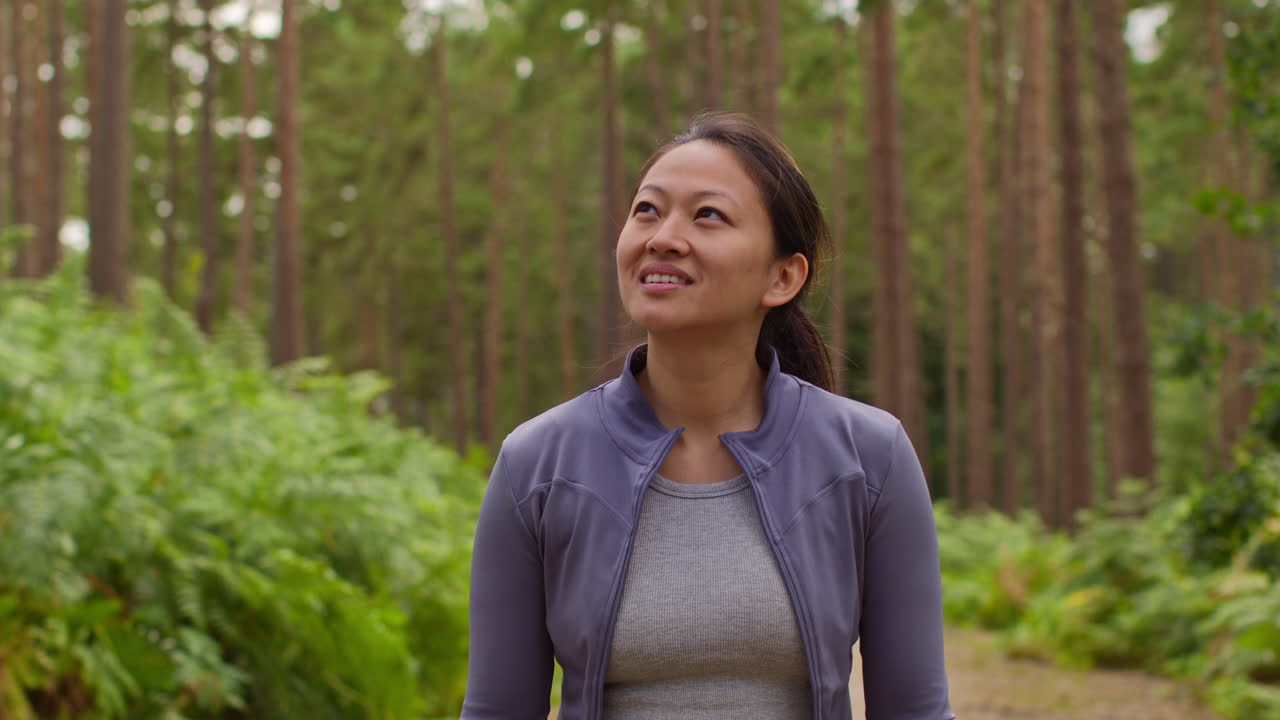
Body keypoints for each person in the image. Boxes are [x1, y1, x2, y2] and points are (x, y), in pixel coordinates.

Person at [461, 113, 953, 720]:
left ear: (783, 277)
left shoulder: (868, 458)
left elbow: (916, 711)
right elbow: (496, 710)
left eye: (707, 215)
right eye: (647, 210)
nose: (663, 237)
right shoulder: (537, 463)